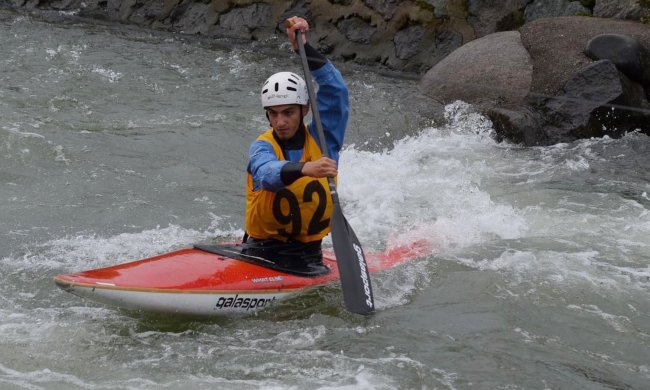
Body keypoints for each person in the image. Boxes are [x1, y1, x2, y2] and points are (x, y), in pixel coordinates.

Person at [242, 16, 349, 276]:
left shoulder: (325, 141)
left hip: (310, 256)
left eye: (288, 112)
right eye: (273, 113)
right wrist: (305, 168)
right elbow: (267, 174)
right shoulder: (262, 146)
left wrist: (303, 48)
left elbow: (335, 91)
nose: (280, 122)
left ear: (304, 110)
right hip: (262, 253)